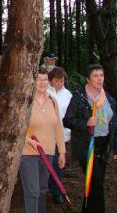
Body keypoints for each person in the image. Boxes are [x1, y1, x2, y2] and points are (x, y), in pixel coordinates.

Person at [63, 64, 117, 213]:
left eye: (101, 75)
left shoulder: (108, 98)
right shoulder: (79, 97)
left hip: (104, 146)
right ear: (88, 79)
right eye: (95, 76)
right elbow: (67, 120)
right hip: (87, 146)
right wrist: (85, 123)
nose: (99, 79)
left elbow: (114, 125)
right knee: (97, 185)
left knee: (95, 183)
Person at [20, 67, 66, 213]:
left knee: (42, 190)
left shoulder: (52, 101)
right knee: (32, 191)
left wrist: (62, 152)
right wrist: (28, 140)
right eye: (38, 79)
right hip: (28, 152)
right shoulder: (25, 100)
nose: (42, 82)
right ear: (33, 81)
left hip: (48, 152)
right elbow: (17, 126)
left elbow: (58, 126)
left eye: (45, 79)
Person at [47, 67, 73, 204]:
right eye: (56, 81)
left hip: (62, 135)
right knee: (46, 162)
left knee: (59, 163)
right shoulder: (44, 92)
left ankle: (57, 191)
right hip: (45, 135)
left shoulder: (68, 95)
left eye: (62, 81)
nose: (59, 83)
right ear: (51, 80)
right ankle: (45, 187)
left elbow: (71, 115)